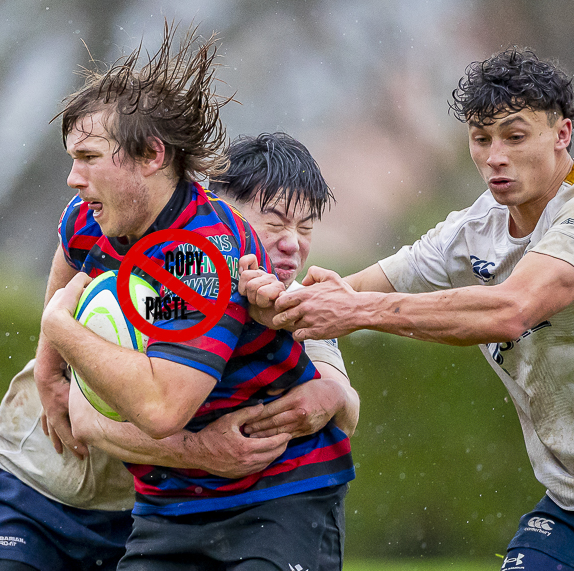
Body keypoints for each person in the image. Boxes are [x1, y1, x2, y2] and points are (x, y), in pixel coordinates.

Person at [0, 125, 358, 571]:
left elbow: (341, 402)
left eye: (305, 227)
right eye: (275, 222)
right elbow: (85, 416)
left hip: (146, 512)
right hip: (33, 481)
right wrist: (202, 451)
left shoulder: (290, 300)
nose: (292, 243)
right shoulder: (161, 266)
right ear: (219, 210)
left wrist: (332, 394)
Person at [240, 47, 574, 570]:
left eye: (515, 135)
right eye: (481, 139)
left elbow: (511, 310)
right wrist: (264, 300)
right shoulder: (474, 230)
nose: (495, 157)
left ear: (563, 135)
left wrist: (355, 312)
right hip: (567, 501)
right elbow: (349, 293)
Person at [40, 22, 355, 571]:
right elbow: (68, 261)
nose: (74, 178)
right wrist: (48, 371)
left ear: (151, 155)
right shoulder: (94, 218)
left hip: (278, 497)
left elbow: (162, 408)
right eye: (73, 158)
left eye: (89, 157)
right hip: (169, 504)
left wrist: (59, 329)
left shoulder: (199, 255)